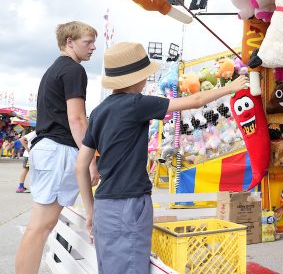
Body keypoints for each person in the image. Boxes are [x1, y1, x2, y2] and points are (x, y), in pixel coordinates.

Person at [75, 42, 249, 274]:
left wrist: (90, 210)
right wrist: (230, 88)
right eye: (145, 75)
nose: (146, 80)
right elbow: (195, 101)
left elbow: (81, 166)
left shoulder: (98, 112)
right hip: (131, 203)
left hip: (104, 205)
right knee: (132, 267)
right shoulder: (137, 104)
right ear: (135, 79)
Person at [15, 21, 99, 274]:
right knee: (40, 227)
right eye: (88, 42)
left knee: (40, 226)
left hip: (47, 148)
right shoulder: (74, 70)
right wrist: (91, 160)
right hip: (58, 150)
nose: (93, 47)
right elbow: (77, 119)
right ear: (69, 42)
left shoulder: (54, 69)